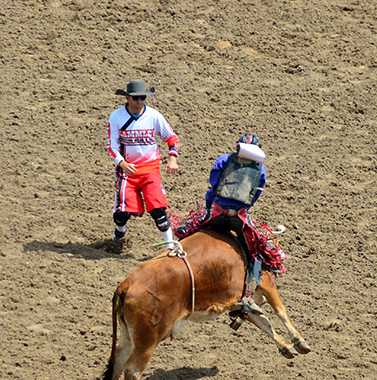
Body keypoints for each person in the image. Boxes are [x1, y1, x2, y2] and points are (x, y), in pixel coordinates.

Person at [175, 134, 285, 317]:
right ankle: (248, 296)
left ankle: (178, 259)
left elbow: (214, 185)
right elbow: (254, 195)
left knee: (185, 231)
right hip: (239, 217)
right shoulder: (261, 169)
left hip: (216, 211)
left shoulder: (224, 159)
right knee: (257, 252)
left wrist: (210, 206)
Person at [103, 79, 179, 253]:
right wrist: (121, 163)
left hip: (150, 170)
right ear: (128, 98)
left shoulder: (154, 116)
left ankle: (170, 246)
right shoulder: (116, 117)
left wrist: (172, 159)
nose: (140, 102)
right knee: (121, 214)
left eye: (143, 98)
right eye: (136, 98)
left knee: (158, 211)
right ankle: (120, 233)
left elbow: (171, 137)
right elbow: (111, 146)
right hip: (127, 171)